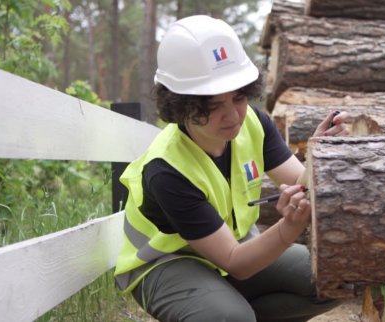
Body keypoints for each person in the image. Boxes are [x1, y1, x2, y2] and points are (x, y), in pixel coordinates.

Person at [114, 15, 349, 322]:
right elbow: (236, 262)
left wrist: (321, 151)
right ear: (180, 106)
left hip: (230, 251)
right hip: (165, 264)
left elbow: (303, 183)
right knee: (229, 317)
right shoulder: (166, 170)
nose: (232, 116)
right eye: (212, 105)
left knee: (335, 276)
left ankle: (226, 311)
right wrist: (289, 227)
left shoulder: (254, 123)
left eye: (238, 97)